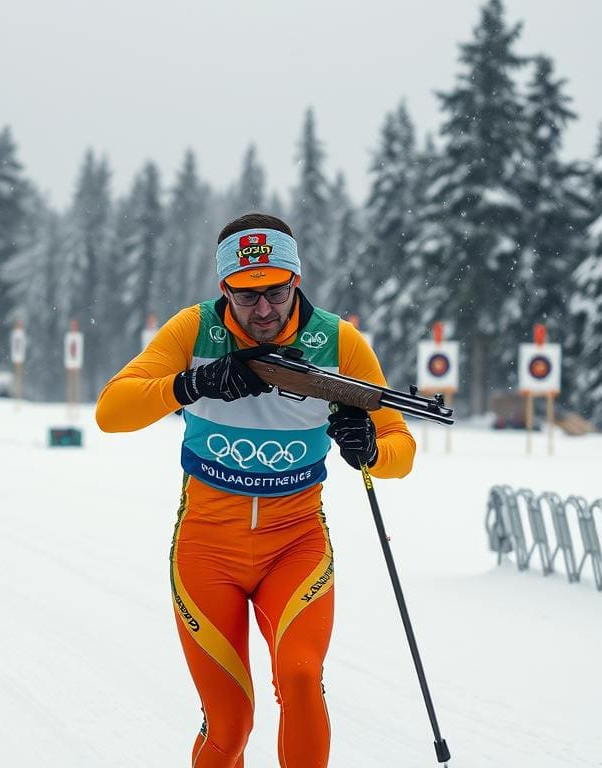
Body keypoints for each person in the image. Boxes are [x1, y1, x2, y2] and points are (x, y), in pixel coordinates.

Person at [96, 213, 416, 768]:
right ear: (223, 290)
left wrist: (369, 448)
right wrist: (193, 383)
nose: (264, 310)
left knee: (299, 676)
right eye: (247, 298)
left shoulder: (337, 342)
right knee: (231, 722)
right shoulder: (193, 332)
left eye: (276, 292)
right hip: (206, 549)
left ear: (297, 279)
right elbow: (111, 412)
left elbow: (400, 448)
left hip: (295, 545)